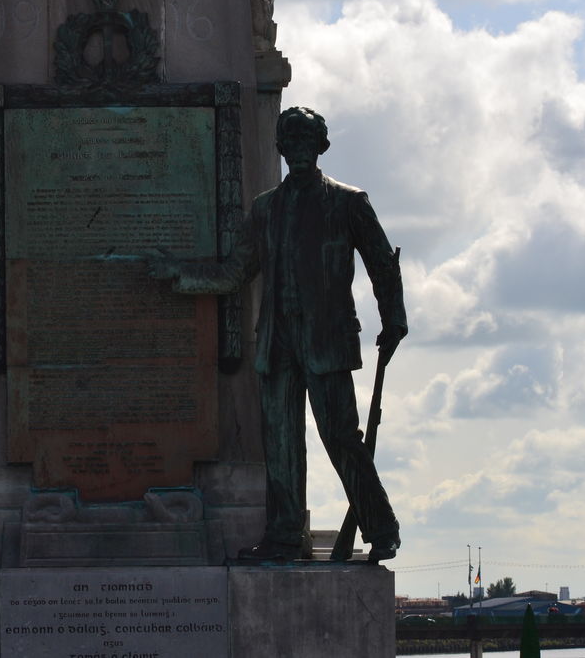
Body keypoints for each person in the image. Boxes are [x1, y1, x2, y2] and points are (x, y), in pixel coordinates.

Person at [149, 106, 406, 563]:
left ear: (321, 146)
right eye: (292, 142)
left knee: (342, 440)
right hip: (277, 343)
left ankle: (381, 529)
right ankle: (285, 535)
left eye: (308, 141)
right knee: (282, 446)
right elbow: (235, 272)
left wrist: (394, 319)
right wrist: (180, 275)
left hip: (327, 343)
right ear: (281, 148)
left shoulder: (348, 201)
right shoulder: (265, 208)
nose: (300, 149)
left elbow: (382, 263)